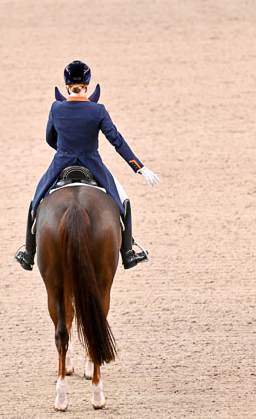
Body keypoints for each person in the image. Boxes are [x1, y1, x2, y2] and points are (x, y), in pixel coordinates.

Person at [15, 62, 160, 271]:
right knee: (124, 203)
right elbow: (117, 141)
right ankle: (128, 253)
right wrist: (140, 167)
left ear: (66, 85)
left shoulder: (56, 108)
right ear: (87, 84)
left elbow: (49, 138)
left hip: (61, 164)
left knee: (34, 203)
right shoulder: (98, 110)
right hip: (93, 164)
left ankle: (28, 253)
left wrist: (64, 150)